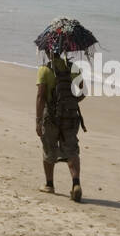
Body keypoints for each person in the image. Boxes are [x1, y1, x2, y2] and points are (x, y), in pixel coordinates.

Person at [36, 53, 86, 202]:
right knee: (72, 150)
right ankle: (75, 184)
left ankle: (49, 184)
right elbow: (83, 92)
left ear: (48, 52)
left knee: (49, 148)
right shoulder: (73, 67)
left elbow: (41, 97)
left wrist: (38, 120)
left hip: (51, 117)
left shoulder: (45, 70)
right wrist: (72, 102)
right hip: (71, 116)